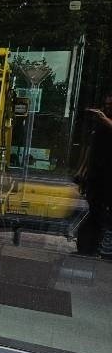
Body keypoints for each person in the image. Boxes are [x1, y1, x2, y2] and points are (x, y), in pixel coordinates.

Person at [76, 93, 112, 258]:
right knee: (94, 209)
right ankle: (88, 248)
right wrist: (82, 171)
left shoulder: (106, 122)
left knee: (102, 213)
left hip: (107, 175)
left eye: (110, 106)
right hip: (96, 173)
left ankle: (97, 248)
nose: (107, 108)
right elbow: (90, 148)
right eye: (105, 105)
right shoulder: (99, 126)